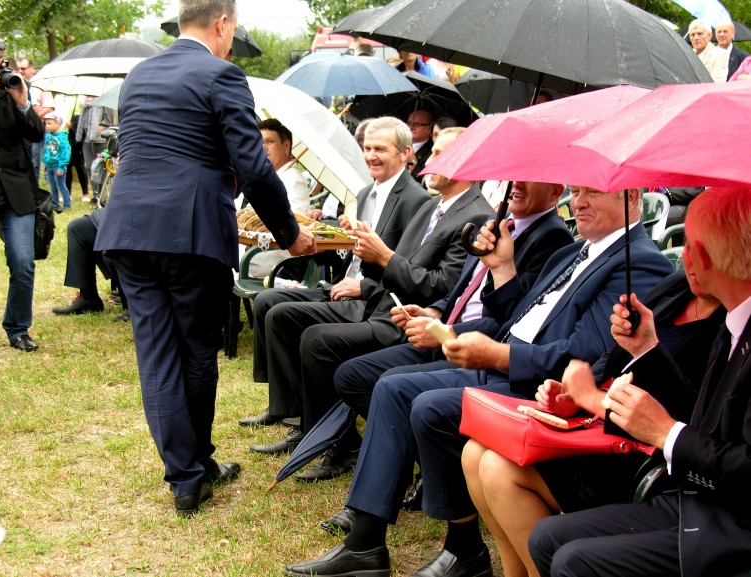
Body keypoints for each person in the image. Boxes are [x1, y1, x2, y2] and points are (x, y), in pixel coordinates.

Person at [283, 186, 673, 577]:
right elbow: (514, 319)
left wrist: (497, 355)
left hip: (541, 387)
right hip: (502, 364)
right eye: (578, 191)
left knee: (428, 408)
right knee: (391, 387)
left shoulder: (637, 263)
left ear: (631, 198)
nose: (580, 202)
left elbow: (582, 358)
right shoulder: (572, 252)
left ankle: (462, 548)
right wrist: (500, 271)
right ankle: (368, 542)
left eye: (594, 193)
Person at [94, 0, 316, 517]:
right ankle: (193, 471)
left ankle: (188, 473)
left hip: (129, 227)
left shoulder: (138, 76)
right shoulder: (222, 74)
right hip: (190, 231)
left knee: (157, 354)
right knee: (196, 350)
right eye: (232, 31)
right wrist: (289, 233)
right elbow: (254, 167)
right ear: (222, 24)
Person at [528, 187, 751, 577]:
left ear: (701, 257)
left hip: (733, 523)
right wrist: (646, 349)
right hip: (698, 498)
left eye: (688, 245)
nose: (684, 257)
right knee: (546, 537)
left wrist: (666, 432)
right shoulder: (734, 322)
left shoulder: (734, 325)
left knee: (573, 561)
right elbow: (699, 414)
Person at [323, 181, 573, 528]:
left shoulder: (552, 238)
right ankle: (426, 463)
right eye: (512, 178)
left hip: (476, 348)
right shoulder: (497, 223)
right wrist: (435, 312)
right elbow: (462, 287)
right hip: (444, 331)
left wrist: (450, 332)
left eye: (529, 179)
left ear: (556, 191)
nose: (516, 185)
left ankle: (369, 521)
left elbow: (516, 321)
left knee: (393, 386)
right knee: (352, 376)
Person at [249, 128, 491, 466]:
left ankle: (338, 444)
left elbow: (442, 288)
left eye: (439, 154)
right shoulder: (433, 206)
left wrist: (382, 258)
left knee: (316, 340)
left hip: (405, 319)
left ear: (466, 161)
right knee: (282, 313)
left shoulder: (475, 215)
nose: (428, 160)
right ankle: (303, 424)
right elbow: (396, 264)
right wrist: (363, 248)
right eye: (433, 151)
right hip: (381, 302)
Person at [462, 268, 723, 577]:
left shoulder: (732, 324)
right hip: (600, 430)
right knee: (473, 453)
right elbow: (614, 357)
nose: (691, 259)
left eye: (704, 249)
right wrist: (572, 395)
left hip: (643, 460)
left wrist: (593, 399)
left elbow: (690, 418)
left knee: (497, 468)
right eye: (689, 246)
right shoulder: (677, 287)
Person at [239, 117, 429, 429]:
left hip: (371, 298)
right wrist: (322, 243)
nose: (371, 156)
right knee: (268, 301)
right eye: (367, 148)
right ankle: (285, 405)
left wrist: (364, 286)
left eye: (380, 149)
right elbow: (350, 249)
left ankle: (305, 417)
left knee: (283, 314)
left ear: (406, 153)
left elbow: (406, 265)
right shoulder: (365, 193)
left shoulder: (416, 200)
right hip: (342, 284)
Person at [0, 36, 44, 352]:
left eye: (1, 62)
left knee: (23, 262)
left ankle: (18, 328)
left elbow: (37, 134)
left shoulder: (15, 86)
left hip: (15, 188)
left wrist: (23, 103)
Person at [247, 118, 311, 279]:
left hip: (269, 261)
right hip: (250, 252)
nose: (263, 148)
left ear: (286, 146)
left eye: (269, 141)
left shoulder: (293, 180)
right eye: (259, 142)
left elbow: (291, 226)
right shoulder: (264, 177)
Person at [75, 96, 111, 202]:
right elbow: (82, 120)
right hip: (87, 138)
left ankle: (102, 194)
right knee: (89, 167)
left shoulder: (104, 100)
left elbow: (108, 119)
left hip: (100, 139)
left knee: (99, 167)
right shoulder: (85, 103)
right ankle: (95, 194)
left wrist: (102, 126)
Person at [42, 112, 71, 211]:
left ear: (58, 124)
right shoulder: (49, 137)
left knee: (61, 186)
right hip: (49, 166)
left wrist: (61, 167)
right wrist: (45, 163)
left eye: (49, 123)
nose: (47, 126)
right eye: (46, 123)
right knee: (52, 187)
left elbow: (65, 153)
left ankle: (67, 205)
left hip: (57, 166)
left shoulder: (62, 139)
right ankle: (55, 205)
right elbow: (47, 151)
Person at [688, 19, 728, 83]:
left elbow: (717, 83)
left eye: (700, 34)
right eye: (693, 35)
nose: (696, 38)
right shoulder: (687, 54)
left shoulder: (720, 55)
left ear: (709, 36)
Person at [407, 109, 434, 183]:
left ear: (429, 129)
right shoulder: (398, 145)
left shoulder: (432, 152)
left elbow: (421, 181)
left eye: (417, 124)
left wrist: (413, 163)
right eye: (409, 123)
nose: (412, 127)